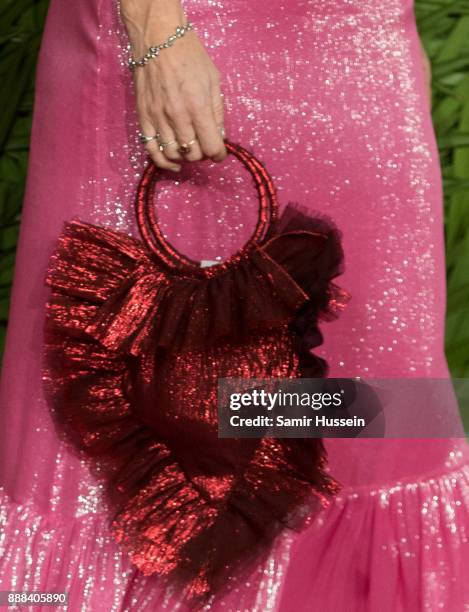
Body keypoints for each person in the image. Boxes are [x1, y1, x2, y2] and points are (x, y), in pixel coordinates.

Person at [0, 0, 468, 609]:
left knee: (377, 409)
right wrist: (158, 34)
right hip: (178, 37)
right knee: (136, 400)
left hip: (364, 43)